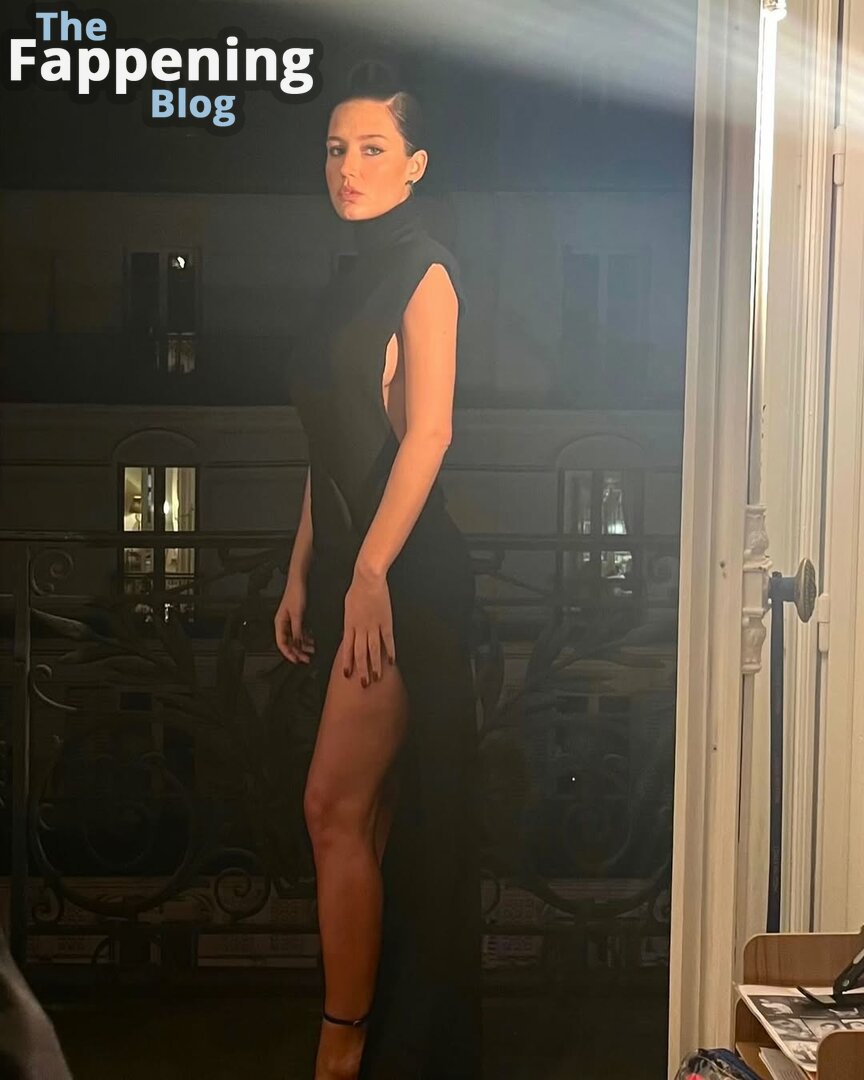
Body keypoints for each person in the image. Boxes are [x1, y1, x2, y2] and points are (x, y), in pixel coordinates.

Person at [275, 77, 482, 1080]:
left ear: (415, 164)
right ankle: (389, 1042)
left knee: (333, 808)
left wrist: (367, 571)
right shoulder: (344, 280)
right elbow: (335, 445)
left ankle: (342, 1047)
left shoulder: (426, 270)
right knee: (369, 820)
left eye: (370, 148)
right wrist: (300, 571)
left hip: (404, 577)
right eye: (335, 149)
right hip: (354, 570)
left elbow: (428, 434)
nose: (348, 168)